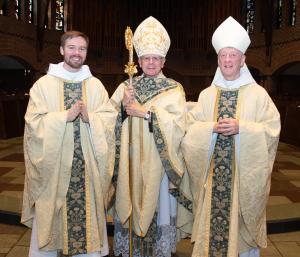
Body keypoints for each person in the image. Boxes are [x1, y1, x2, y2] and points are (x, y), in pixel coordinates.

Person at [182, 16, 281, 257]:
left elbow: (272, 129)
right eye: (223, 55)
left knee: (240, 238)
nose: (227, 60)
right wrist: (210, 129)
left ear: (243, 59)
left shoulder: (258, 95)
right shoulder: (207, 95)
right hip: (212, 179)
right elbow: (189, 131)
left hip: (241, 181)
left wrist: (243, 128)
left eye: (233, 55)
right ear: (217, 59)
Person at [21, 30, 117, 257]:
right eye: (72, 48)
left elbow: (109, 119)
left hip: (87, 171)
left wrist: (90, 118)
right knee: (50, 225)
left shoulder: (95, 86)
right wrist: (64, 116)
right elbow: (33, 123)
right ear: (62, 50)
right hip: (53, 170)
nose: (77, 53)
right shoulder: (43, 85)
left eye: (82, 49)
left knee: (89, 232)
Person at [110, 16, 192, 257]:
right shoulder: (126, 87)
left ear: (164, 60)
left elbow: (178, 125)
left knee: (159, 208)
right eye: (147, 58)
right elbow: (107, 121)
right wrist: (123, 110)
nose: (151, 62)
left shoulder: (174, 88)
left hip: (159, 165)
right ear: (139, 61)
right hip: (130, 162)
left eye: (156, 58)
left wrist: (145, 113)